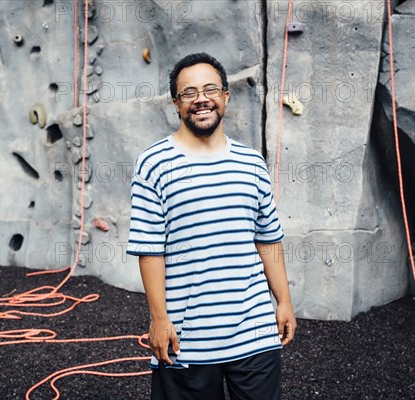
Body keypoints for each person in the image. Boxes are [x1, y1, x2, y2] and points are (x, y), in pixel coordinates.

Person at [126, 53, 296, 400]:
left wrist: (284, 301)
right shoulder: (154, 164)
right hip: (186, 338)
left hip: (255, 330)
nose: (201, 98)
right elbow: (149, 251)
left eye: (210, 89)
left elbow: (268, 240)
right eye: (188, 92)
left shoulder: (252, 163)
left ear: (225, 96)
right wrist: (159, 320)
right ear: (176, 104)